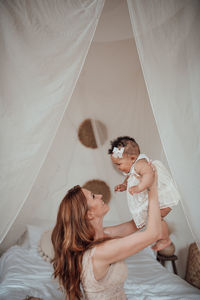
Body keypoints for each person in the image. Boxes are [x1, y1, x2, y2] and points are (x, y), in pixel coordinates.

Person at [51, 168, 161, 300]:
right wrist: (152, 187)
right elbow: (154, 234)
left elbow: (137, 224)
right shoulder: (101, 251)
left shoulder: (103, 235)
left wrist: (142, 189)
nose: (100, 196)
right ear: (89, 214)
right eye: (93, 196)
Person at [108, 136, 181, 251]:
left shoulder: (140, 164)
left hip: (162, 199)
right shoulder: (134, 166)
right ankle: (163, 239)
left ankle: (164, 240)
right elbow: (130, 177)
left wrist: (139, 187)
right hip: (155, 200)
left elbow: (149, 174)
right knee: (154, 220)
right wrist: (124, 185)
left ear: (132, 158)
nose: (117, 168)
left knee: (155, 219)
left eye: (119, 164)